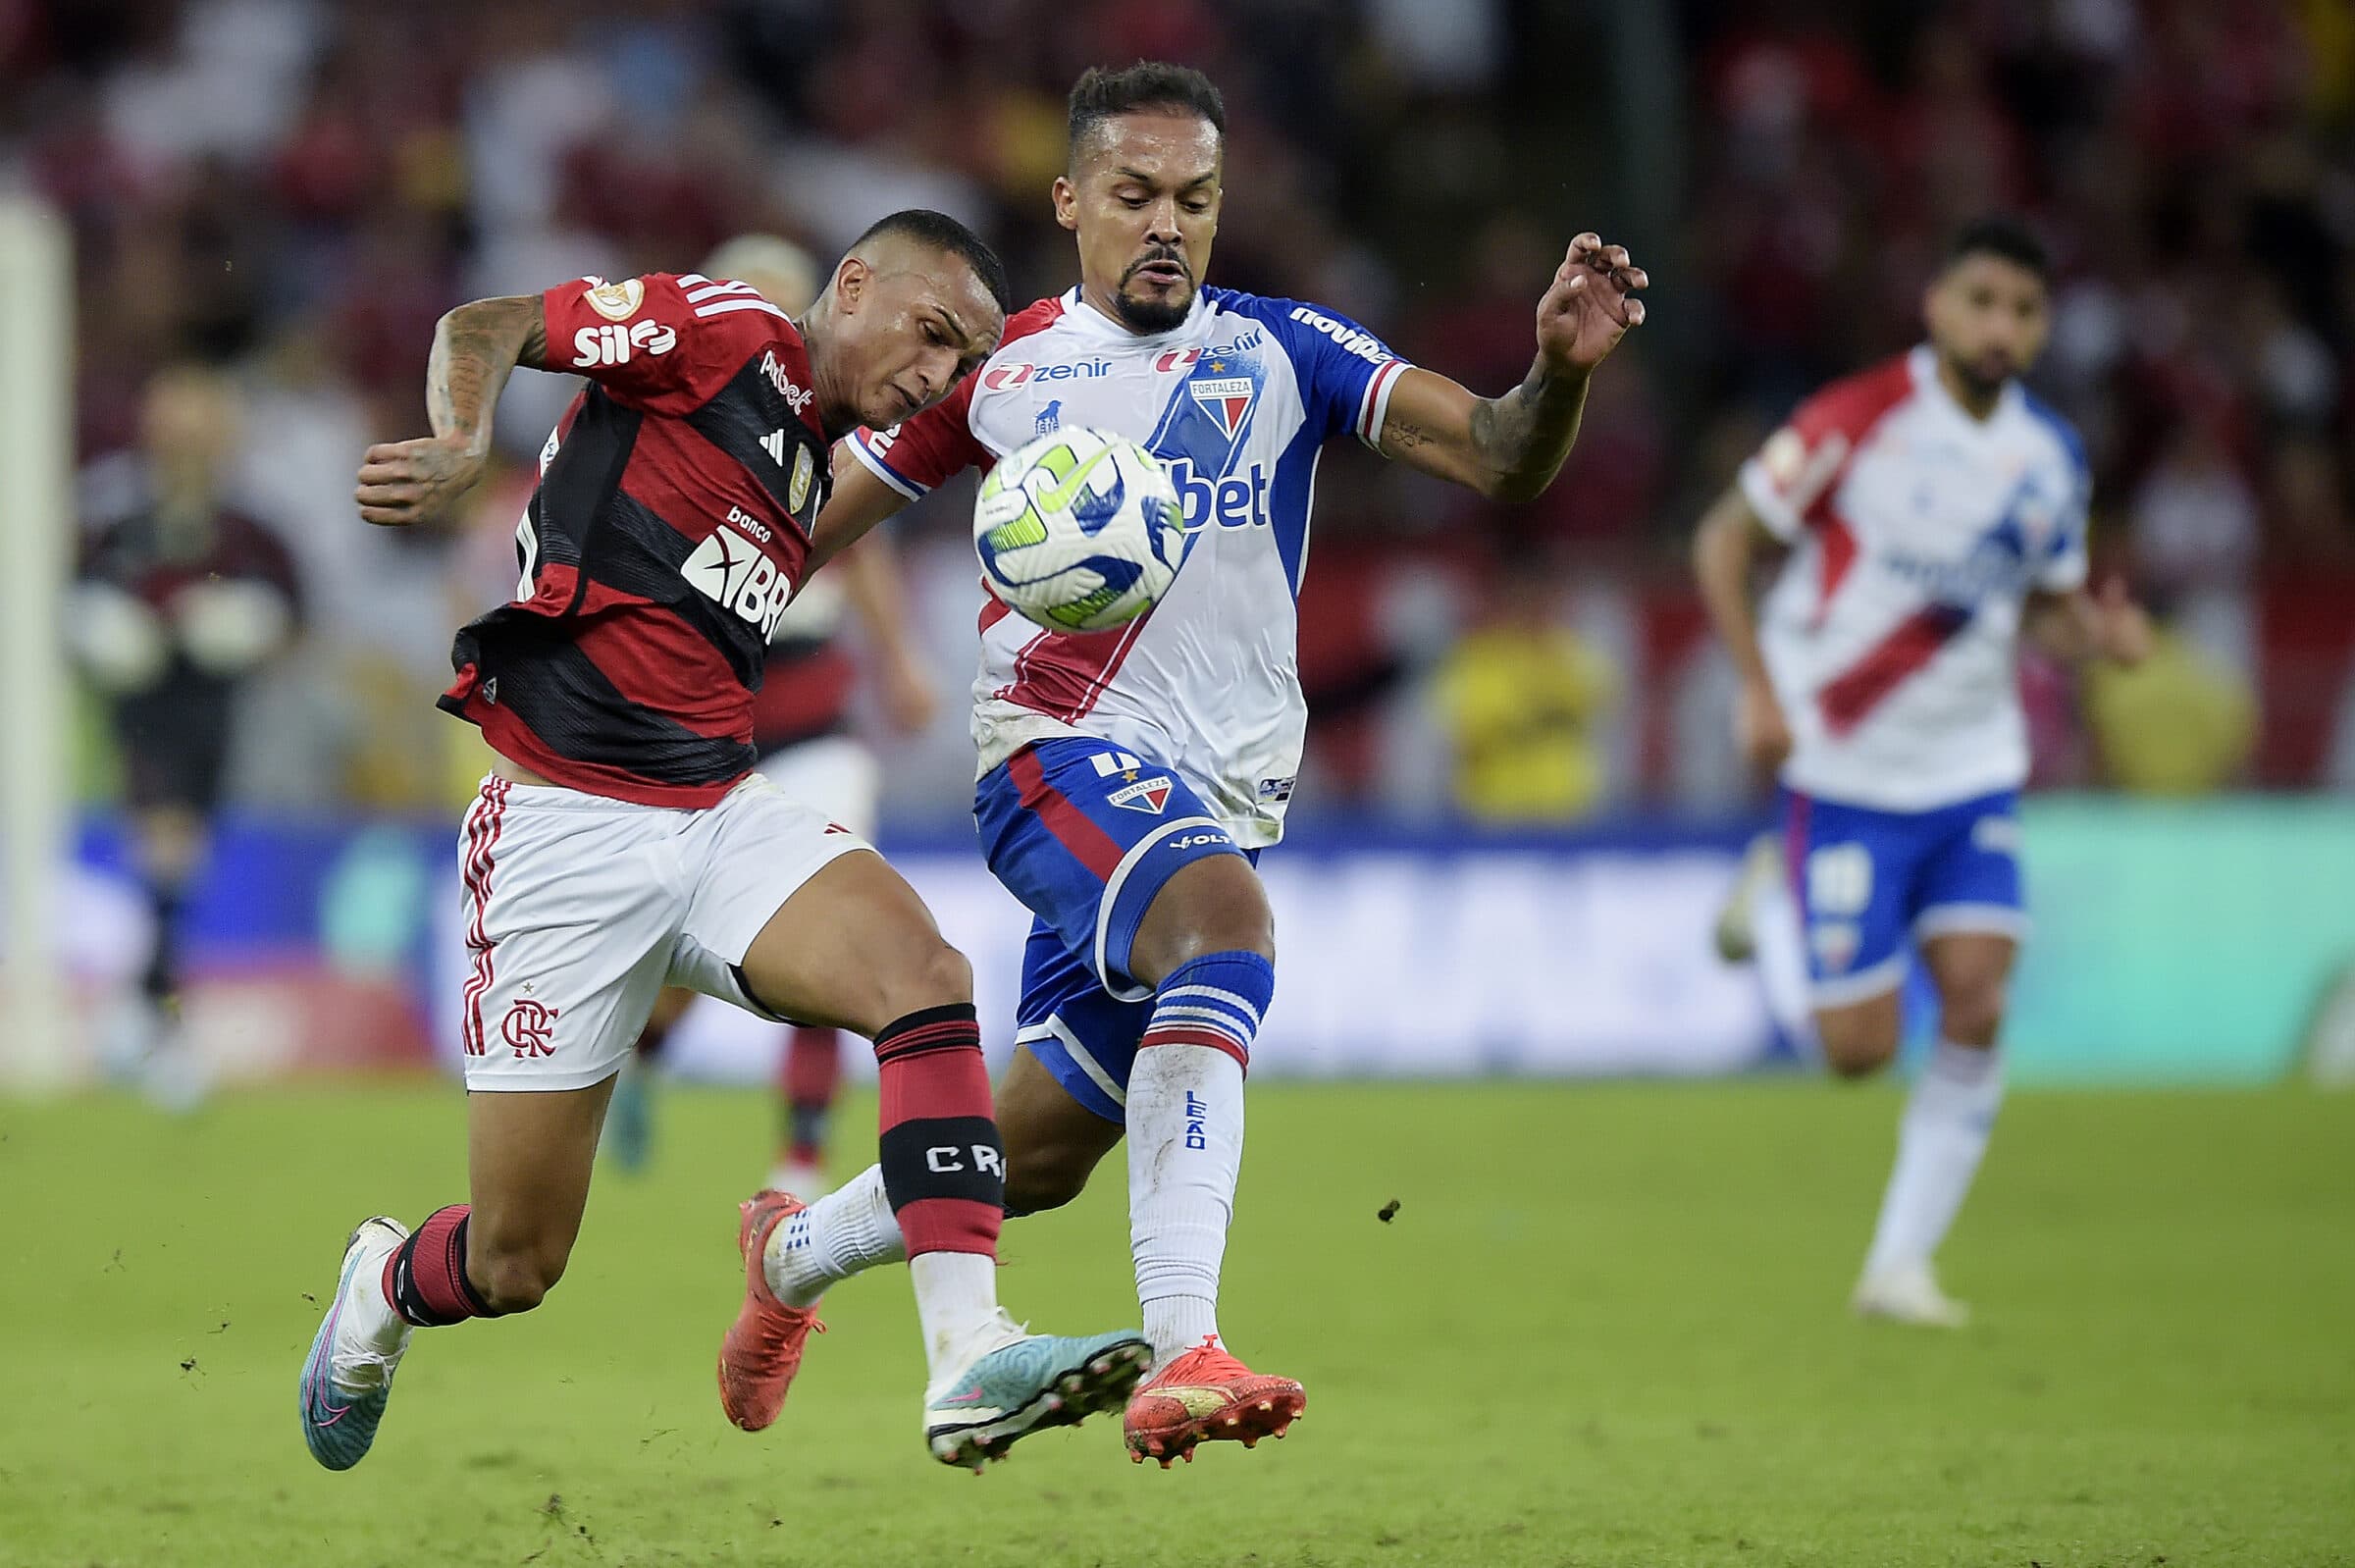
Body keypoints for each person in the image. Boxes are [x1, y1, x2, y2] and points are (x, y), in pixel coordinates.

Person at [716, 62, 1648, 1466]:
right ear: (1071, 199)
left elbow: (1505, 457)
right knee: (1229, 933)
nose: (1167, 224)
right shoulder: (1000, 370)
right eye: (1137, 195)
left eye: (1196, 201)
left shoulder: (1286, 353)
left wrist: (1558, 376)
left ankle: (790, 1257)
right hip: (1053, 760)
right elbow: (799, 535)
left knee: (1035, 1148)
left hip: (1218, 793)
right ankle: (1184, 1344)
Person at [299, 211, 1150, 1478]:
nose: (934, 372)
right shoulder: (721, 332)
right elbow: (485, 324)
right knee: (515, 1260)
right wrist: (465, 441)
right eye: (928, 334)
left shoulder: (816, 456)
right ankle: (381, 1280)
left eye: (960, 358)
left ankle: (968, 1350)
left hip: (718, 811)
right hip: (563, 830)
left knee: (924, 979)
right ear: (851, 286)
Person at [1692, 217, 2151, 1328]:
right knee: (1858, 1051)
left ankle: (1898, 1265)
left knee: (1981, 998)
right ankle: (1777, 874)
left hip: (1972, 770)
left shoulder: (2050, 460)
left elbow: (2041, 608)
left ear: (2041, 331)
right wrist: (1758, 687)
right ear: (1939, 307)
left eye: (2025, 311)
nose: (2002, 327)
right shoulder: (1857, 420)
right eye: (1983, 301)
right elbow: (1721, 542)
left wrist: (2097, 636)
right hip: (1842, 767)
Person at [602, 235, 944, 1198]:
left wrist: (901, 658)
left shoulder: (834, 419)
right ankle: (645, 1052)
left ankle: (796, 1159)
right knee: (674, 940)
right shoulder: (666, 417)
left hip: (812, 710)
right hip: (701, 716)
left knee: (832, 915)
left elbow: (865, 543)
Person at [71, 365, 301, 1110]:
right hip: (141, 706)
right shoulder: (114, 513)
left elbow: (292, 605)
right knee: (168, 848)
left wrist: (249, 620)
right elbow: (77, 590)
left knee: (177, 863)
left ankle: (146, 1013)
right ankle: (157, 1023)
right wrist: (101, 624)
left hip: (218, 705)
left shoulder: (247, 525)